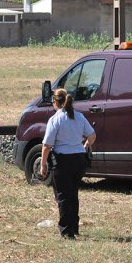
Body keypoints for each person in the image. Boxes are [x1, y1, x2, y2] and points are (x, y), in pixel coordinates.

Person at [38, 88, 96, 239]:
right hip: (79, 159)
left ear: (56, 102)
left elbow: (47, 145)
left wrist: (42, 165)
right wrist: (84, 146)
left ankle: (66, 231)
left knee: (63, 196)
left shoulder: (55, 119)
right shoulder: (79, 116)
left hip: (63, 160)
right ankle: (74, 227)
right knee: (73, 193)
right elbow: (92, 135)